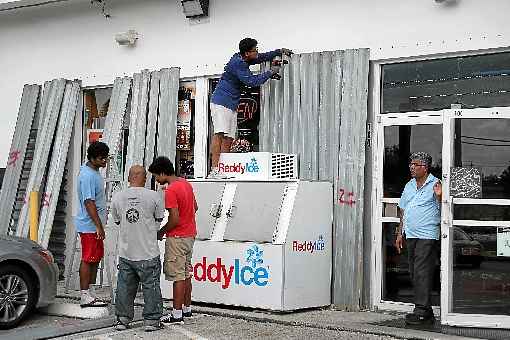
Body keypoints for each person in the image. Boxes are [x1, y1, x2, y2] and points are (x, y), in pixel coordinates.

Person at [208, 37, 293, 178]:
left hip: (231, 104)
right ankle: (214, 170)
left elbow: (262, 57)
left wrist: (279, 51)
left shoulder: (244, 58)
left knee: (229, 138)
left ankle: (222, 169)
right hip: (221, 102)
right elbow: (252, 81)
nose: (257, 52)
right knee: (219, 134)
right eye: (254, 50)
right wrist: (270, 72)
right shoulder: (238, 63)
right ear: (247, 53)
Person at [111, 165, 166, 332]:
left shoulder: (118, 197)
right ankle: (151, 321)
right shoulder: (154, 196)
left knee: (124, 287)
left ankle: (123, 319)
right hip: (148, 252)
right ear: (144, 178)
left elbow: (118, 221)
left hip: (127, 252)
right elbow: (159, 219)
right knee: (151, 287)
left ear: (129, 178)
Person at [148, 156, 198, 324]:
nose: (156, 180)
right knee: (186, 274)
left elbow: (174, 219)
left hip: (177, 238)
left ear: (163, 173)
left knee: (177, 276)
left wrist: (161, 232)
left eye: (156, 176)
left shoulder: (170, 191)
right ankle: (187, 309)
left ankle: (176, 314)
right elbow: (195, 207)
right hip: (190, 235)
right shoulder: (185, 183)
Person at [395, 152, 442, 325]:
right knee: (415, 272)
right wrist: (400, 233)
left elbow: (444, 208)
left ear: (425, 167)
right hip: (411, 234)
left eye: (415, 165)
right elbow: (403, 210)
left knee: (422, 271)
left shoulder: (435, 184)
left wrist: (439, 196)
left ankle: (421, 311)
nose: (411, 167)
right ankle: (427, 310)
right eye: (411, 164)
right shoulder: (409, 185)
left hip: (427, 235)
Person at [75, 141, 109, 308]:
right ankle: (84, 294)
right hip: (90, 226)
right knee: (88, 258)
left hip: (94, 225)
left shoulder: (94, 172)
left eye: (106, 158)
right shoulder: (87, 176)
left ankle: (91, 290)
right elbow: (89, 202)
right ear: (93, 158)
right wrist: (98, 226)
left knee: (95, 258)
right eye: (102, 159)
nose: (105, 162)